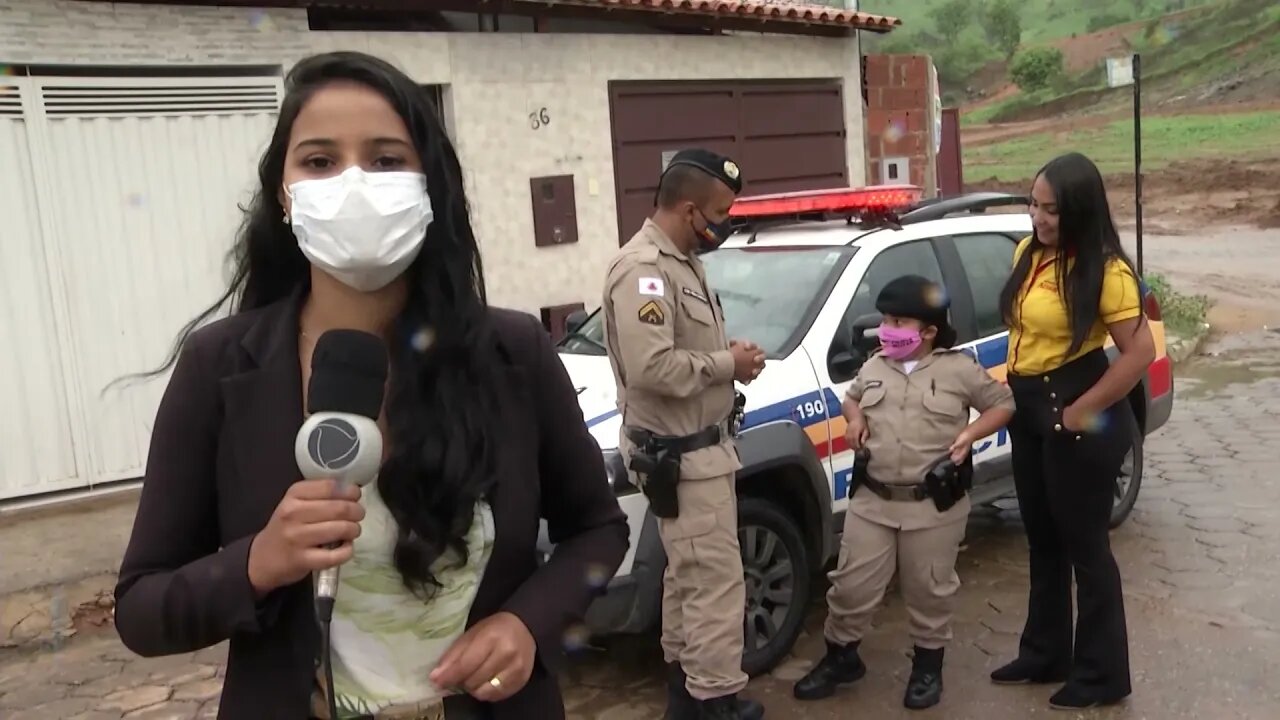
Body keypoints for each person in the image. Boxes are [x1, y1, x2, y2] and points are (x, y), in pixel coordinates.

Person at [112, 51, 630, 720]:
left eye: (386, 159)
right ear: (283, 193)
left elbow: (597, 528)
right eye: (320, 161)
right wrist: (259, 562)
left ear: (430, 186)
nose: (354, 183)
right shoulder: (220, 366)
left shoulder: (512, 353)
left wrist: (528, 624)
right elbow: (140, 609)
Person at [792, 275, 1015, 709]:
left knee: (929, 589)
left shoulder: (958, 369)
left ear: (928, 331)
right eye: (886, 319)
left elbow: (1004, 404)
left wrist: (970, 434)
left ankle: (927, 670)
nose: (887, 328)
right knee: (850, 586)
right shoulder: (875, 365)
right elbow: (852, 398)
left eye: (898, 321)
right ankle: (841, 658)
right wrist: (854, 419)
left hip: (932, 505)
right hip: (872, 501)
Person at [601, 149, 767, 720]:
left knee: (688, 581)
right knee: (715, 586)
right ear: (690, 208)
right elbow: (652, 368)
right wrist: (729, 364)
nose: (725, 224)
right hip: (682, 456)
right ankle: (715, 702)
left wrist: (724, 360)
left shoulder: (680, 261)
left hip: (698, 451)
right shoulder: (644, 269)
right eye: (721, 213)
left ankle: (688, 698)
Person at [989, 152, 1154, 710]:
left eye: (1051, 211)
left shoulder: (1105, 270)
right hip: (1030, 407)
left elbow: (1139, 355)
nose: (1038, 218)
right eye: (1033, 205)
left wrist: (1078, 412)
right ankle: (1044, 653)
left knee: (1086, 548)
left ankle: (1102, 675)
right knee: (1042, 540)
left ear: (1079, 210)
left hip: (1078, 406)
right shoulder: (1026, 253)